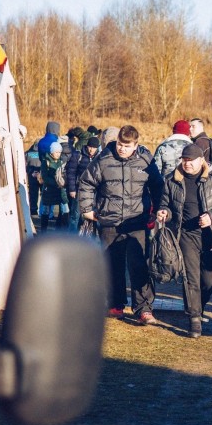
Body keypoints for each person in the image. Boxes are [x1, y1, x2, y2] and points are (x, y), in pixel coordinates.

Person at [78, 125, 163, 324]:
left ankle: (144, 309)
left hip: (137, 221)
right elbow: (86, 183)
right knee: (112, 264)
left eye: (126, 145)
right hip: (109, 221)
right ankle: (115, 304)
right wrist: (86, 209)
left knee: (139, 265)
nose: (122, 148)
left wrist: (158, 210)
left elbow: (158, 186)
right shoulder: (104, 159)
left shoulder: (146, 160)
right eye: (119, 144)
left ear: (136, 145)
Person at [156, 143, 212, 338]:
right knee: (191, 277)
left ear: (202, 161)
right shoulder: (171, 180)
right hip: (185, 235)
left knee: (209, 280)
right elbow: (165, 203)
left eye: (191, 161)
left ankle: (198, 308)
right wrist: (164, 212)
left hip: (211, 236)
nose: (187, 164)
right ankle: (194, 319)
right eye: (184, 160)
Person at [65, 134, 100, 232]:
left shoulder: (100, 157)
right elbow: (71, 173)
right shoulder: (78, 155)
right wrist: (72, 189)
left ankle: (89, 237)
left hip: (95, 191)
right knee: (75, 215)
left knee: (93, 215)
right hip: (79, 189)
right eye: (90, 147)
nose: (91, 149)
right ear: (87, 146)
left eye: (94, 148)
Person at [38, 141, 69, 231]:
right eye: (56, 152)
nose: (58, 154)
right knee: (46, 211)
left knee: (65, 209)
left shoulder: (61, 162)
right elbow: (45, 177)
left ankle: (64, 231)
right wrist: (56, 183)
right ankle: (43, 232)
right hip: (49, 190)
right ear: (51, 152)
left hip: (60, 190)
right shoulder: (45, 162)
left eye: (59, 152)